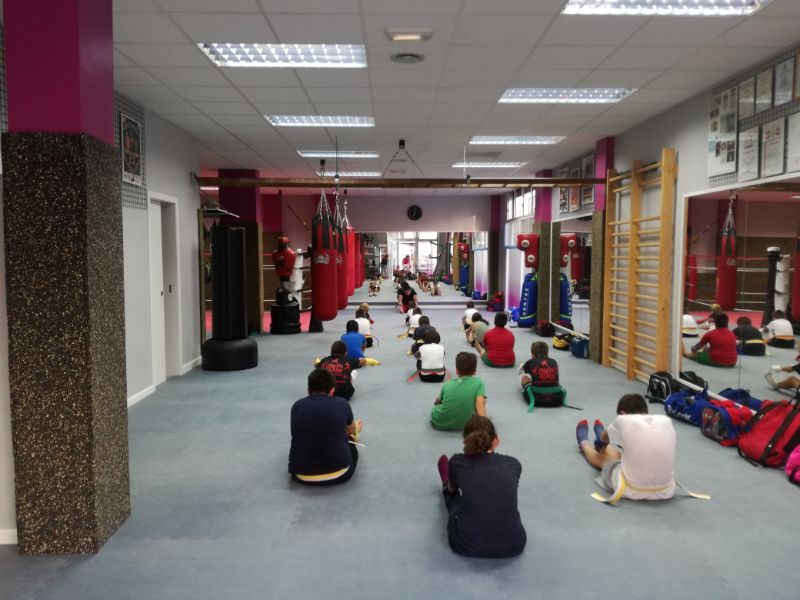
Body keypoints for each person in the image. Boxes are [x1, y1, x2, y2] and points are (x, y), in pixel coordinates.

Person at [436, 416, 526, 558]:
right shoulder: (514, 464)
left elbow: (453, 489)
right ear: (496, 440)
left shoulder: (457, 462)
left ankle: (445, 478)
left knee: (453, 496)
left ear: (466, 441)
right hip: (515, 544)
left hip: (465, 544)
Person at [576, 394, 677, 502]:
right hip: (666, 490)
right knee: (627, 455)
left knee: (603, 459)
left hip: (629, 489)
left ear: (622, 414)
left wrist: (601, 443)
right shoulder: (666, 420)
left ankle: (583, 442)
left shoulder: (622, 420)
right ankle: (600, 441)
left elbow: (603, 439)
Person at [288, 368, 363, 485]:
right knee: (351, 443)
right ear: (332, 390)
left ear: (308, 390)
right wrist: (354, 432)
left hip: (301, 473)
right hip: (339, 473)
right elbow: (351, 430)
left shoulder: (297, 406)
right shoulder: (342, 404)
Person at [431, 352, 487, 430]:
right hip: (466, 425)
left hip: (440, 423)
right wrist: (485, 426)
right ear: (475, 371)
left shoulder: (447, 384)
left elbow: (437, 402)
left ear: (457, 371)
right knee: (482, 399)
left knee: (436, 408)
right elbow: (480, 406)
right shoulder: (478, 383)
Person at [520, 341, 563, 408]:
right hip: (557, 399)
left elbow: (522, 369)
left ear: (532, 354)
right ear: (547, 353)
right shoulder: (554, 361)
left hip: (536, 399)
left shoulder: (531, 361)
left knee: (524, 378)